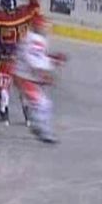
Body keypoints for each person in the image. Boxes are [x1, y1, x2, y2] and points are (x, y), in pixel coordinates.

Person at [12, 14, 66, 143]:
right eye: (43, 25)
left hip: (25, 77)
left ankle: (38, 124)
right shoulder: (35, 39)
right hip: (25, 78)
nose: (45, 28)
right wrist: (49, 67)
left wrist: (51, 60)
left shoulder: (32, 38)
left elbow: (37, 58)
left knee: (41, 104)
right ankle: (41, 129)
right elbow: (34, 61)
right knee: (43, 104)